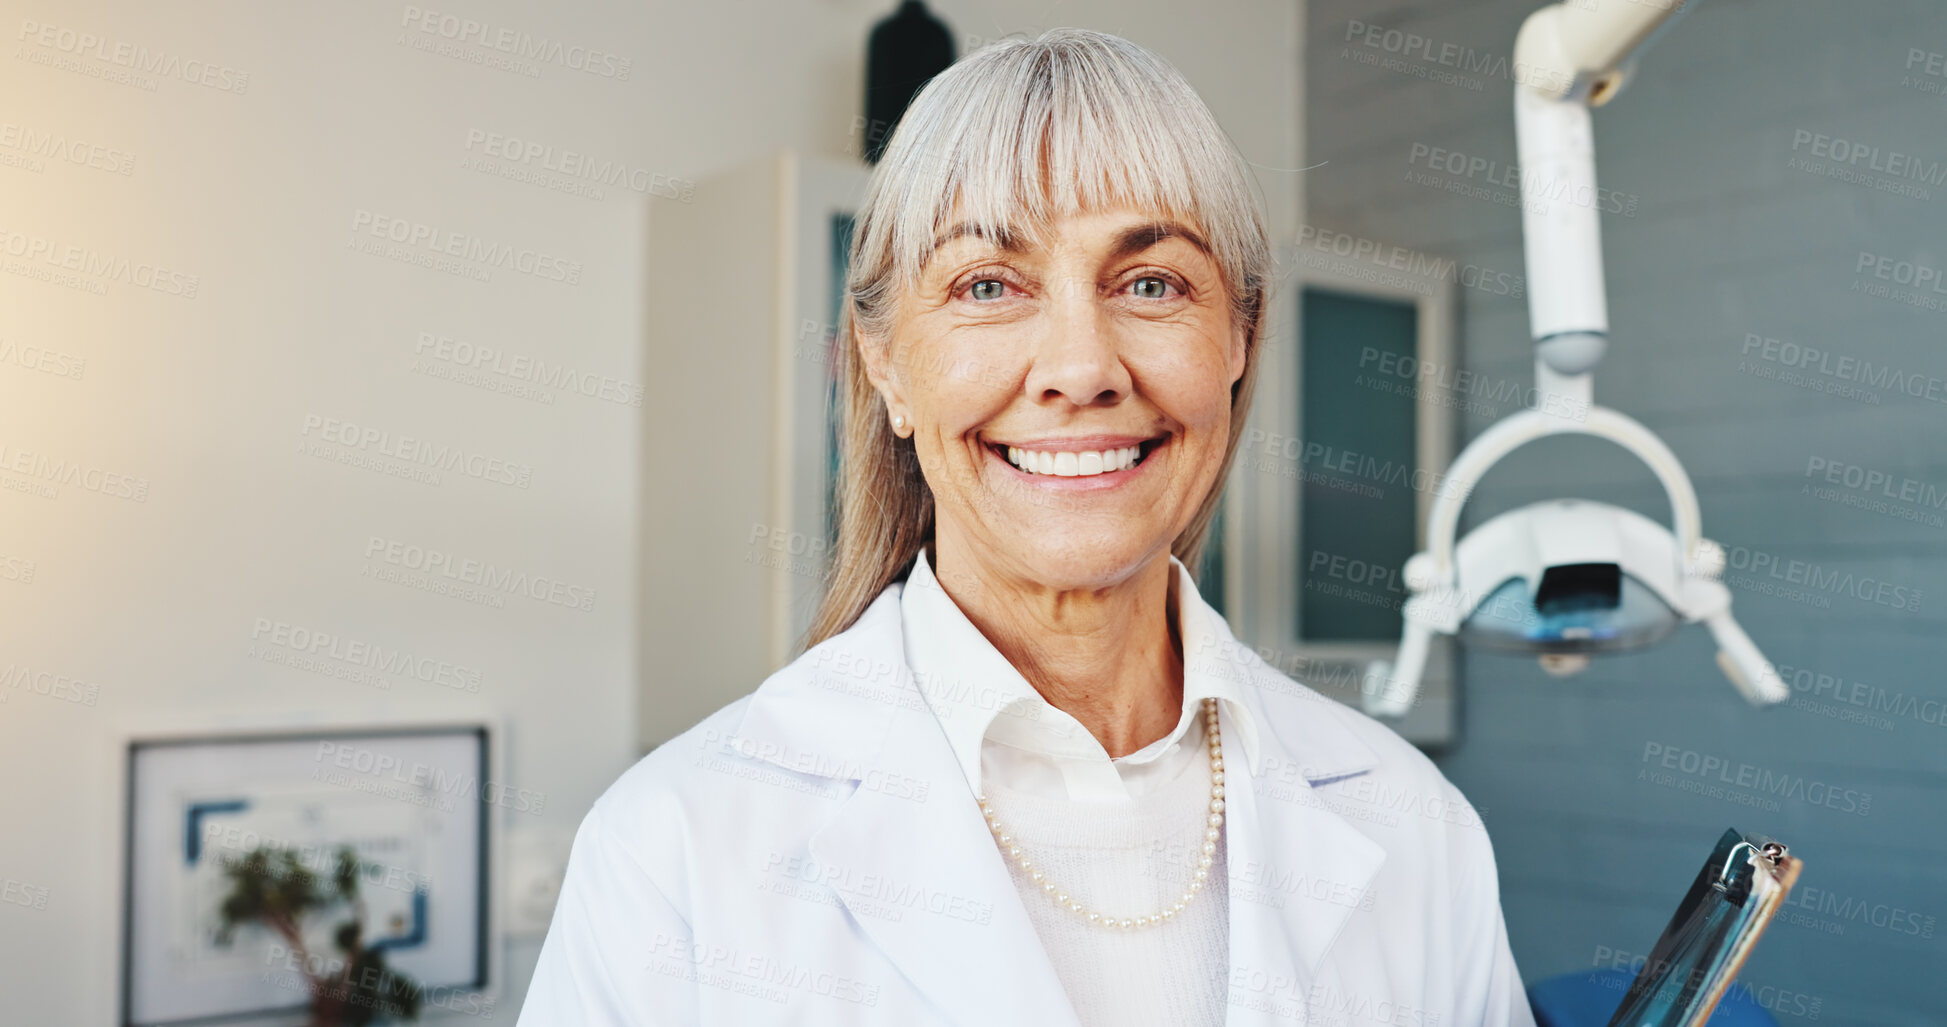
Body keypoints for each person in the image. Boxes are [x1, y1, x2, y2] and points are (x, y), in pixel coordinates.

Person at [519, 27, 1536, 1026]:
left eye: (1151, 283)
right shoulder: (678, 852)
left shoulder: (1412, 824)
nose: (1082, 366)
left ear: (1239, 336)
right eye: (988, 286)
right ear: (881, 361)